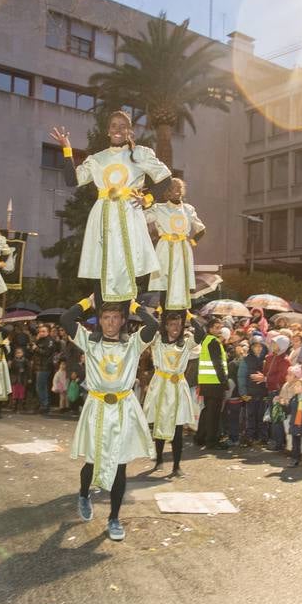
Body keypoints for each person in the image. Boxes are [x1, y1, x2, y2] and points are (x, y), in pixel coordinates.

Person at [62, 296, 160, 541]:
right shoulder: (90, 342)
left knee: (120, 465)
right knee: (93, 461)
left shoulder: (133, 344)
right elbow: (66, 319)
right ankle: (84, 494)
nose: (111, 322)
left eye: (116, 317)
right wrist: (89, 301)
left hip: (124, 409)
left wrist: (133, 303)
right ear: (100, 320)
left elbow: (154, 325)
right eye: (106, 317)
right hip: (97, 408)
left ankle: (114, 518)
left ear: (123, 320)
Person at [50, 112, 172, 301]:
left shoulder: (139, 154)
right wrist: (67, 149)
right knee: (102, 264)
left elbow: (165, 179)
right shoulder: (97, 159)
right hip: (102, 215)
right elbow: (71, 180)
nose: (118, 129)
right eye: (114, 125)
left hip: (129, 214)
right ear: (108, 131)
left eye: (123, 126)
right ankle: (101, 322)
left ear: (129, 131)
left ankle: (123, 319)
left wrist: (147, 199)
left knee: (126, 264)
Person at [145, 310, 205, 478]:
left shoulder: (186, 343)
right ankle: (158, 461)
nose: (175, 328)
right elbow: (150, 326)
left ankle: (177, 466)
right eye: (171, 324)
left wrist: (189, 314)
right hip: (161, 387)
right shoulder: (157, 341)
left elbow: (201, 332)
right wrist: (159, 312)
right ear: (166, 326)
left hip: (178, 387)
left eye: (178, 325)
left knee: (178, 429)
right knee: (159, 424)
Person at [145, 177, 206, 311]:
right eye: (173, 188)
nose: (177, 190)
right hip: (165, 248)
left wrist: (192, 241)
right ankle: (164, 312)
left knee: (181, 283)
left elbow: (201, 229)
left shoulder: (188, 209)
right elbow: (143, 218)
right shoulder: (159, 208)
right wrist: (144, 202)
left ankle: (181, 314)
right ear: (167, 191)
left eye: (179, 188)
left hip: (183, 248)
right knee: (165, 283)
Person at [194, 320, 229, 449]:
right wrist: (224, 381)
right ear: (209, 328)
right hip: (215, 382)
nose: (219, 329)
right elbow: (218, 363)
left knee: (207, 411)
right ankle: (211, 441)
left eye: (220, 327)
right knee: (213, 414)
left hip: (206, 381)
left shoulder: (207, 340)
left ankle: (200, 437)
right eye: (216, 327)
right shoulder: (214, 341)